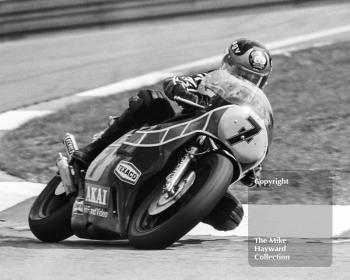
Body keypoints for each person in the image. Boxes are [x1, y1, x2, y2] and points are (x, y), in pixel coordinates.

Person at [72, 38, 272, 231]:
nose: (245, 82)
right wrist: (186, 93)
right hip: (177, 134)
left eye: (254, 79)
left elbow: (251, 144)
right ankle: (88, 154)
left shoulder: (254, 112)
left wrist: (252, 170)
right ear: (227, 65)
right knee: (150, 101)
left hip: (205, 161)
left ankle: (166, 216)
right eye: (240, 73)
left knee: (231, 215)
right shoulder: (210, 80)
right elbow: (175, 82)